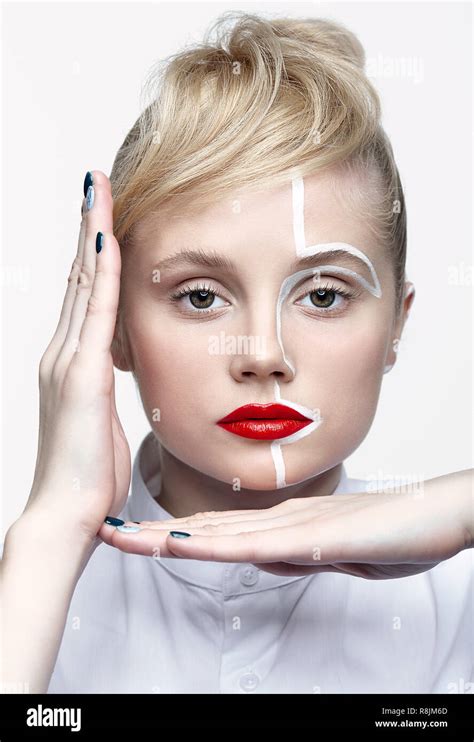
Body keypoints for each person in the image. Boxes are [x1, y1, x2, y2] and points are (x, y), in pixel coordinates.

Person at [1, 12, 472, 695]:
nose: (262, 355)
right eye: (199, 297)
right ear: (114, 327)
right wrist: (47, 534)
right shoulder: (31, 596)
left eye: (323, 296)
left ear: (397, 323)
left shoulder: (460, 595)